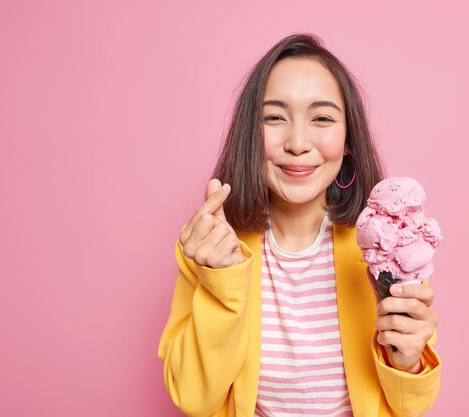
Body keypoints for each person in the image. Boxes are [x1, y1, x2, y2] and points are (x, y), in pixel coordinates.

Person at [158, 33, 441, 417]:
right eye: (274, 117)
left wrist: (406, 359)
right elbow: (194, 399)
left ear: (347, 140)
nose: (296, 142)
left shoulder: (381, 248)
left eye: (321, 118)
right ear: (249, 136)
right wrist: (220, 283)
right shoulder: (212, 249)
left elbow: (409, 408)